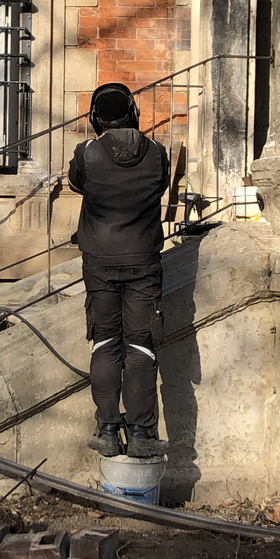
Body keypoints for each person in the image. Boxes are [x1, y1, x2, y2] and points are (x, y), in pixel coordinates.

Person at [68, 82, 170, 459]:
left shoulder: (86, 153)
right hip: (144, 261)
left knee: (106, 343)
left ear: (95, 118)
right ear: (134, 114)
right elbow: (160, 186)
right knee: (141, 346)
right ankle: (143, 434)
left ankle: (108, 429)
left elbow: (78, 183)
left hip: (99, 262)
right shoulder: (158, 153)